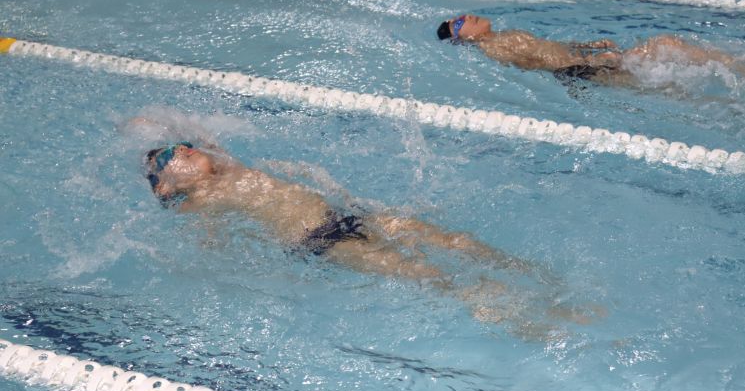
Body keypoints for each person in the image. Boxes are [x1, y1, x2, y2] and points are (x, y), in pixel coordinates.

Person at [140, 134, 600, 338]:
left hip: (351, 215)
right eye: (167, 156)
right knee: (431, 275)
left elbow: (199, 135)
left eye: (181, 145)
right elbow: (211, 247)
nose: (182, 149)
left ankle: (545, 281)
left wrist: (157, 143)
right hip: (322, 240)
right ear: (165, 186)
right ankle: (540, 324)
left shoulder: (228, 166)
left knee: (456, 241)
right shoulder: (200, 202)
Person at [436, 14, 745, 87]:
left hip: (584, 61)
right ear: (462, 38)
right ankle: (741, 69)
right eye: (460, 22)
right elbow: (534, 62)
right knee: (665, 46)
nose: (468, 17)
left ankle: (737, 70)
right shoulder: (493, 48)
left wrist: (585, 47)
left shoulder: (502, 36)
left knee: (662, 73)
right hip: (583, 70)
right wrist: (589, 62)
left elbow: (545, 49)